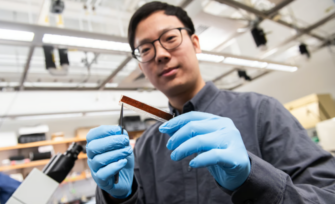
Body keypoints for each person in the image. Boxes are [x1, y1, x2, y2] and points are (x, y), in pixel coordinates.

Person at [86, 2, 335, 204]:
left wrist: (254, 178)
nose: (160, 54)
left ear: (195, 43)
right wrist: (119, 198)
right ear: (141, 66)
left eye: (170, 38)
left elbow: (328, 194)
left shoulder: (262, 111)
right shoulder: (145, 148)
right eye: (146, 49)